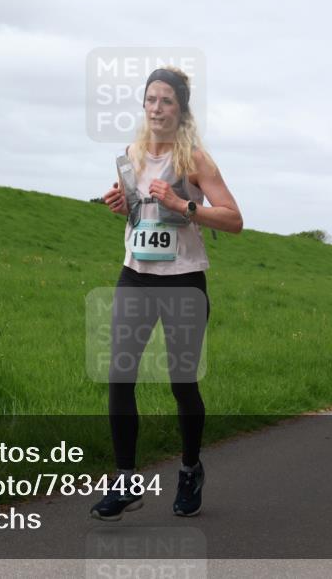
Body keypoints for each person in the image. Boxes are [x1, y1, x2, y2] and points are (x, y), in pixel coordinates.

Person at [94, 66, 242, 520]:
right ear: (143, 105)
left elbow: (234, 219)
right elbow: (139, 219)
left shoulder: (195, 160)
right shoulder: (128, 156)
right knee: (120, 377)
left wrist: (184, 205)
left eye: (167, 102)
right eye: (150, 100)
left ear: (181, 110)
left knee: (182, 384)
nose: (157, 109)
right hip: (135, 276)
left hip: (182, 281)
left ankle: (190, 469)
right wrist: (124, 207)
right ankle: (125, 480)